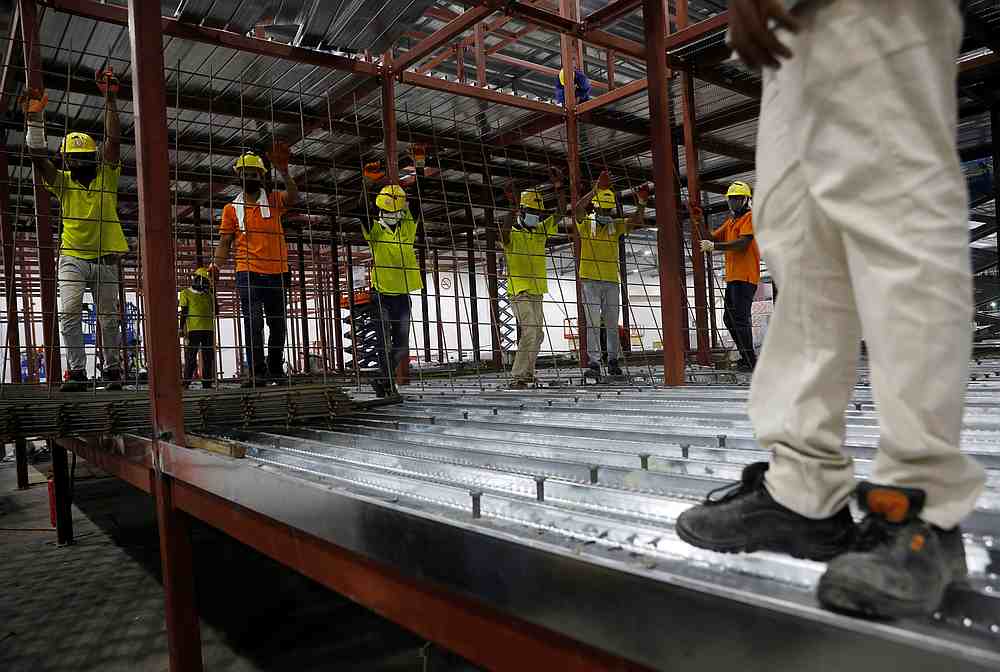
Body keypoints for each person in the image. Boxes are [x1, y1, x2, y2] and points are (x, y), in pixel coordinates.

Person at [676, 0, 986, 620]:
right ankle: (803, 490)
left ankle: (920, 506)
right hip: (788, 25)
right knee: (799, 239)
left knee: (895, 205)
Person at [22, 68, 127, 392]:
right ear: (66, 161)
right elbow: (38, 159)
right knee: (68, 312)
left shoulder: (106, 176)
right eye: (75, 159)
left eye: (86, 158)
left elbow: (113, 140)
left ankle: (112, 372)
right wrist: (35, 122)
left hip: (106, 258)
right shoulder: (63, 184)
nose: (81, 164)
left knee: (109, 319)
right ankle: (78, 373)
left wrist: (109, 98)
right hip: (72, 257)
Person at [210, 143, 298, 387]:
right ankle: (257, 372)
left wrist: (284, 171)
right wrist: (216, 266)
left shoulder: (272, 201)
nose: (249, 178)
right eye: (245, 174)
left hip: (278, 273)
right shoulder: (231, 209)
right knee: (253, 323)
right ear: (239, 176)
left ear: (261, 176)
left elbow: (293, 197)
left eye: (254, 174)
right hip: (248, 273)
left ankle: (275, 368)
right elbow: (225, 242)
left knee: (278, 323)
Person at [569, 172, 648, 381]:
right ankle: (594, 363)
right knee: (593, 323)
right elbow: (576, 209)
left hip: (612, 281)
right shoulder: (586, 224)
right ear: (595, 208)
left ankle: (613, 361)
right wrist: (596, 189)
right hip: (590, 280)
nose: (606, 212)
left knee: (612, 324)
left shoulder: (615, 225)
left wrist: (641, 202)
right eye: (602, 209)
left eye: (608, 209)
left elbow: (637, 220)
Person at [499, 168, 566, 389]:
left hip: (537, 289)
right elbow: (504, 232)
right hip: (519, 290)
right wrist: (511, 207)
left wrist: (559, 188)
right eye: (532, 212)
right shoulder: (513, 234)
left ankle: (526, 374)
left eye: (539, 213)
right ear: (523, 211)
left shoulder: (540, 230)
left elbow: (561, 212)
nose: (536, 216)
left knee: (538, 334)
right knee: (530, 330)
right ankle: (518, 376)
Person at [361, 183, 422, 398]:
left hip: (403, 295)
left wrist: (419, 168)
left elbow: (417, 202)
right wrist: (368, 183)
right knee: (382, 342)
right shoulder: (375, 231)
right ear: (380, 211)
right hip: (382, 295)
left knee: (402, 346)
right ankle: (386, 384)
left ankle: (382, 379)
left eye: (395, 211)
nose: (392, 215)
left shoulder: (407, 227)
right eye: (387, 211)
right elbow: (362, 210)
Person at [695, 181, 760, 371]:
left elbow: (743, 244)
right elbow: (711, 238)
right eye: (732, 199)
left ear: (747, 200)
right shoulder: (731, 222)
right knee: (729, 319)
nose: (734, 203)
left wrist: (714, 247)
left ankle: (750, 360)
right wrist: (699, 221)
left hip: (745, 277)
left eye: (738, 199)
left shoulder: (749, 218)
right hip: (733, 278)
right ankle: (747, 357)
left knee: (739, 319)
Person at [178, 267, 216, 389]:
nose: (205, 283)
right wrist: (181, 328)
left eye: (206, 281)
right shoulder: (185, 293)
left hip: (208, 329)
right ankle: (186, 381)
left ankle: (207, 382)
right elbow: (183, 311)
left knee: (208, 357)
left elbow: (216, 311)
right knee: (191, 356)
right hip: (193, 330)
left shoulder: (208, 294)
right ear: (197, 279)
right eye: (203, 281)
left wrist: (212, 294)